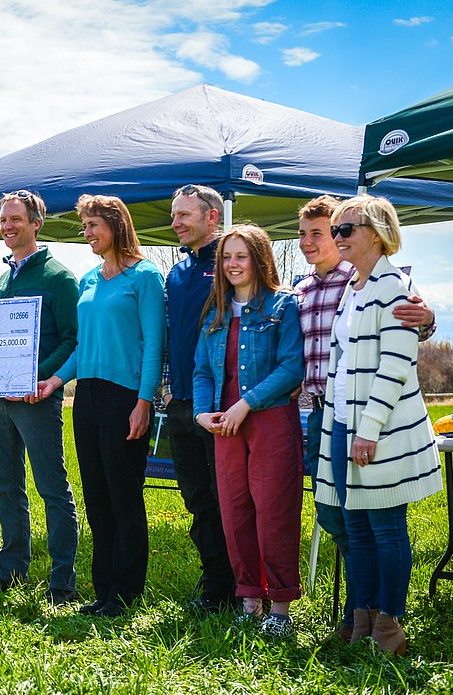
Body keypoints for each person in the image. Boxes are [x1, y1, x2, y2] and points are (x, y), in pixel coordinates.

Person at [294, 195, 437, 640]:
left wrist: (368, 431)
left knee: (386, 528)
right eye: (334, 230)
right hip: (338, 424)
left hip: (380, 430)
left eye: (345, 230)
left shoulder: (392, 285)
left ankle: (390, 626)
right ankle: (361, 619)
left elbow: (395, 365)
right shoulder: (353, 288)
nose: (338, 237)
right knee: (354, 526)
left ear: (376, 232)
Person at [38, 195, 165, 616]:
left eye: (94, 225)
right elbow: (84, 345)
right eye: (85, 226)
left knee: (123, 495)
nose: (88, 233)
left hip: (124, 397)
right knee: (96, 496)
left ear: (116, 225)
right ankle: (103, 590)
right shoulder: (89, 279)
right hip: (87, 397)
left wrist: (144, 401)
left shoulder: (145, 277)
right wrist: (55, 380)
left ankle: (126, 593)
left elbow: (154, 346)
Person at [0, 190, 80, 604]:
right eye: (3, 221)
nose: (8, 227)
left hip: (37, 399)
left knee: (51, 487)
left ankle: (62, 579)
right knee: (5, 485)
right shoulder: (2, 278)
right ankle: (12, 569)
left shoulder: (59, 278)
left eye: (16, 219)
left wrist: (43, 378)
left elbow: (73, 339)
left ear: (36, 223)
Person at [192, 224, 304, 637]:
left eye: (241, 256)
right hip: (225, 425)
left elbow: (292, 366)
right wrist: (203, 412)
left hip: (270, 418)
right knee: (235, 510)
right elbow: (203, 370)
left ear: (259, 259)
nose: (232, 264)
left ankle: (280, 608)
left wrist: (246, 403)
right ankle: (250, 599)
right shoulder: (215, 312)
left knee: (274, 510)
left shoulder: (282, 305)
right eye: (226, 257)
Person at [163, 184, 236, 612]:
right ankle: (214, 584)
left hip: (221, 406)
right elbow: (173, 338)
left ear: (212, 217)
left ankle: (238, 586)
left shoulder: (230, 264)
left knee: (225, 496)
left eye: (184, 215)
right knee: (197, 498)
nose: (176, 223)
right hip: (182, 404)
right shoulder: (176, 273)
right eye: (174, 215)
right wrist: (169, 391)